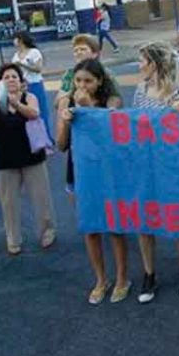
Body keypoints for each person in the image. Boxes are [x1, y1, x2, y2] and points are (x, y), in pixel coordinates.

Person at [56, 59, 128, 304]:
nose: (82, 86)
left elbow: (113, 135)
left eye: (88, 81)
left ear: (99, 81)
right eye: (78, 81)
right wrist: (66, 119)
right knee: (91, 227)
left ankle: (121, 278)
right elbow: (61, 144)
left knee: (114, 226)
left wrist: (90, 110)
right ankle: (100, 279)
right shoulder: (68, 101)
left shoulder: (112, 101)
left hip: (107, 171)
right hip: (79, 170)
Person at [132, 42, 179, 303]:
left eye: (142, 61)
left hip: (172, 164)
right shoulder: (140, 90)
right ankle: (149, 274)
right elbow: (132, 125)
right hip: (145, 162)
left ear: (155, 64)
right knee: (143, 219)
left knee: (176, 214)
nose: (139, 66)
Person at [0, 63, 56, 256]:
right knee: (9, 202)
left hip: (32, 155)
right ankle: (13, 238)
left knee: (41, 198)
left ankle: (47, 231)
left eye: (14, 77)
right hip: (5, 158)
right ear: (0, 82)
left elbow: (34, 113)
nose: (10, 80)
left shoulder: (29, 97)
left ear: (21, 81)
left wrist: (15, 103)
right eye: (6, 77)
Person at [55, 34, 121, 107]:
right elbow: (57, 102)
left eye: (83, 49)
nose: (78, 52)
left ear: (94, 54)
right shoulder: (69, 74)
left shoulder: (105, 72)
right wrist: (65, 100)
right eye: (75, 50)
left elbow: (114, 99)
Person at [12, 31, 53, 142]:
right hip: (23, 87)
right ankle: (33, 139)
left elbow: (38, 69)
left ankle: (46, 138)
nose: (14, 42)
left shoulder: (34, 52)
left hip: (35, 84)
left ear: (20, 40)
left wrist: (23, 64)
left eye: (15, 39)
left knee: (41, 111)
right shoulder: (16, 55)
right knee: (26, 113)